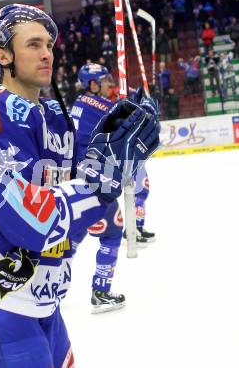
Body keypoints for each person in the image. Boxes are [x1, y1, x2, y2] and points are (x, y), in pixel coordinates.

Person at [0, 4, 160, 368]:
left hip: (37, 289)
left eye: (49, 46)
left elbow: (79, 201)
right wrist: (100, 182)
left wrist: (116, 155)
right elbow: (33, 223)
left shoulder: (54, 117)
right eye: (33, 44)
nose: (47, 54)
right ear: (3, 55)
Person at [71, 64, 158, 314]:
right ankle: (100, 293)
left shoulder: (81, 103)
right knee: (112, 232)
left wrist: (134, 102)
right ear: (92, 85)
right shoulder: (93, 104)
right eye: (105, 80)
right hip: (96, 178)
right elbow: (130, 123)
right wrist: (146, 110)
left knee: (74, 234)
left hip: (79, 175)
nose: (110, 83)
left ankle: (55, 286)